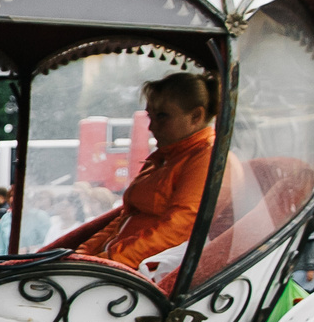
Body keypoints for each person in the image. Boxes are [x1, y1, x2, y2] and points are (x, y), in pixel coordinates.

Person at [75, 73, 220, 271]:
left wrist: (108, 261)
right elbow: (125, 218)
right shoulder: (163, 158)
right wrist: (82, 254)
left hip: (144, 275)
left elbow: (178, 228)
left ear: (196, 116)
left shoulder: (205, 157)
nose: (152, 127)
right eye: (150, 117)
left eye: (162, 116)